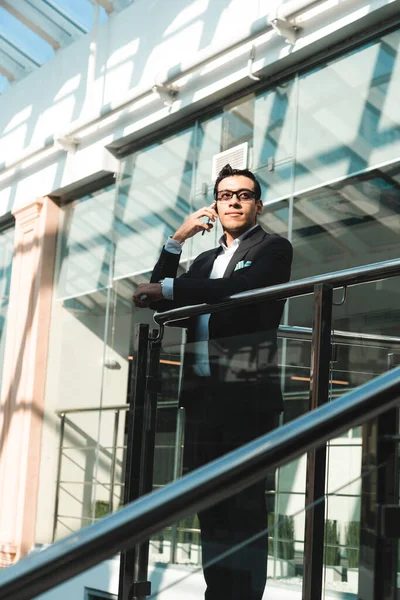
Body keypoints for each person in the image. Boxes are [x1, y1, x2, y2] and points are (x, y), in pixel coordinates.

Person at [133, 164, 293, 600]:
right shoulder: (203, 260)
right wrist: (176, 240)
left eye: (244, 195)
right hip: (203, 398)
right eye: (226, 195)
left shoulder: (273, 248)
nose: (234, 201)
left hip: (246, 395)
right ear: (215, 205)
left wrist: (167, 290)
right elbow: (158, 298)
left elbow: (239, 288)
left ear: (258, 204)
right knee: (210, 505)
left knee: (243, 506)